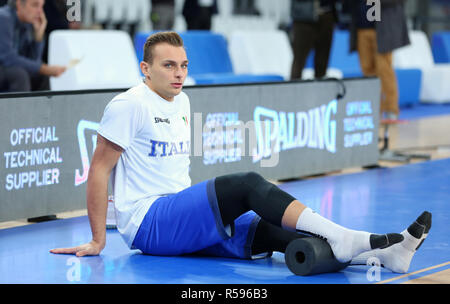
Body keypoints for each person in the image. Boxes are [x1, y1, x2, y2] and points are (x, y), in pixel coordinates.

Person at [50, 31, 431, 274]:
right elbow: (99, 171)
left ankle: (382, 255)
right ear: (145, 69)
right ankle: (347, 236)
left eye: (183, 65)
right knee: (247, 183)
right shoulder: (128, 104)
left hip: (177, 209)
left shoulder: (182, 101)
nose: (178, 73)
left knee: (272, 232)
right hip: (148, 222)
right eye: (168, 66)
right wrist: (98, 240)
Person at [349, 0, 410, 120]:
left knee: (384, 69)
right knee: (367, 69)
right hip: (362, 26)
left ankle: (390, 109)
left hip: (382, 28)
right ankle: (375, 107)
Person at [0, 0, 66, 92]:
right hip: (4, 67)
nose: (40, 11)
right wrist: (43, 68)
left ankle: (44, 106)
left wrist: (38, 36)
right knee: (19, 75)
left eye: (41, 6)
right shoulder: (3, 18)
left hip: (8, 69)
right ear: (19, 4)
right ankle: (21, 107)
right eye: (35, 5)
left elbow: (33, 60)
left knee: (42, 76)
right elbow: (8, 58)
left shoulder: (26, 22)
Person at [290, 0, 337, 80]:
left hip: (327, 14)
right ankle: (293, 89)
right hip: (304, 18)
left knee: (322, 62)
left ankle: (321, 90)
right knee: (299, 61)